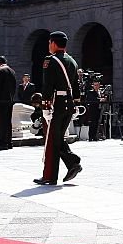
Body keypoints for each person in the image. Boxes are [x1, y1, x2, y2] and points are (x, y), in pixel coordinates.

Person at [34, 31, 83, 186]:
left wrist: (46, 105)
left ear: (54, 43)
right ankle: (51, 176)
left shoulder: (51, 60)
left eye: (49, 43)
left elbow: (47, 85)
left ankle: (72, 162)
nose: (49, 46)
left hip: (56, 104)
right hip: (69, 105)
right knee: (57, 138)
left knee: (53, 139)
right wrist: (75, 103)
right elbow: (75, 86)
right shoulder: (73, 61)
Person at [0, 56, 17, 150]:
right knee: (8, 122)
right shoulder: (12, 71)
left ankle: (2, 143)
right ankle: (9, 142)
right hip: (10, 101)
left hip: (1, 101)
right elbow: (14, 87)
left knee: (1, 122)